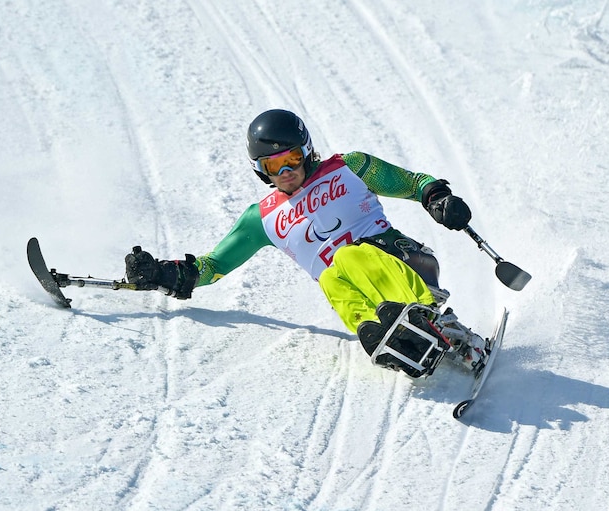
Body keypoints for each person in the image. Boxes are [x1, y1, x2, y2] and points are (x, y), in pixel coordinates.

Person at [124, 109, 487, 377]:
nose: (286, 172)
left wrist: (437, 198)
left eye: (292, 158)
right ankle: (385, 336)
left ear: (307, 151)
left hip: (406, 264)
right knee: (330, 277)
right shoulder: (261, 218)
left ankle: (447, 328)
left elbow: (413, 183)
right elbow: (212, 267)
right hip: (371, 298)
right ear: (260, 171)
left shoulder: (349, 167)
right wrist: (163, 274)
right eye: (274, 166)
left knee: (346, 258)